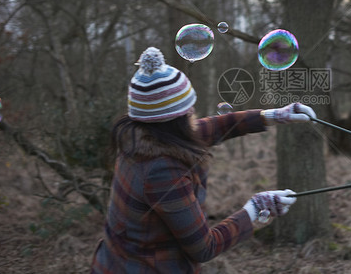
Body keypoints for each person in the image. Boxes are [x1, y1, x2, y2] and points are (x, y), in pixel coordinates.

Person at [91, 47, 317, 274]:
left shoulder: (141, 138)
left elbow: (211, 127)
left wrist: (273, 116)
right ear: (175, 121)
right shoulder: (162, 171)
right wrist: (255, 209)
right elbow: (204, 248)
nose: (194, 113)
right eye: (189, 111)